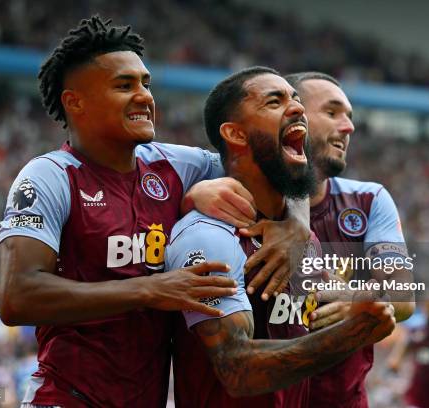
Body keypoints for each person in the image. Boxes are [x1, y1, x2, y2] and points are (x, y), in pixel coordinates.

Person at [0, 17, 308, 407]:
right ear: (76, 101)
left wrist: (297, 225)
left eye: (146, 83)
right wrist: (150, 289)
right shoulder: (48, 176)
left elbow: (274, 167)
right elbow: (17, 296)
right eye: (124, 85)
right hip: (66, 396)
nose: (144, 96)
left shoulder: (177, 166)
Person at [165, 66, 396, 407]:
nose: (296, 108)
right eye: (275, 101)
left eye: (297, 100)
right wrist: (352, 333)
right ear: (236, 134)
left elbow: (396, 296)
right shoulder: (208, 235)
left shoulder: (306, 239)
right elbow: (236, 369)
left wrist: (355, 303)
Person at [285, 71, 415, 407]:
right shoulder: (237, 194)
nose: (348, 127)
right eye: (332, 113)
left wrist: (356, 298)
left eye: (349, 116)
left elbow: (403, 296)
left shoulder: (369, 200)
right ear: (291, 117)